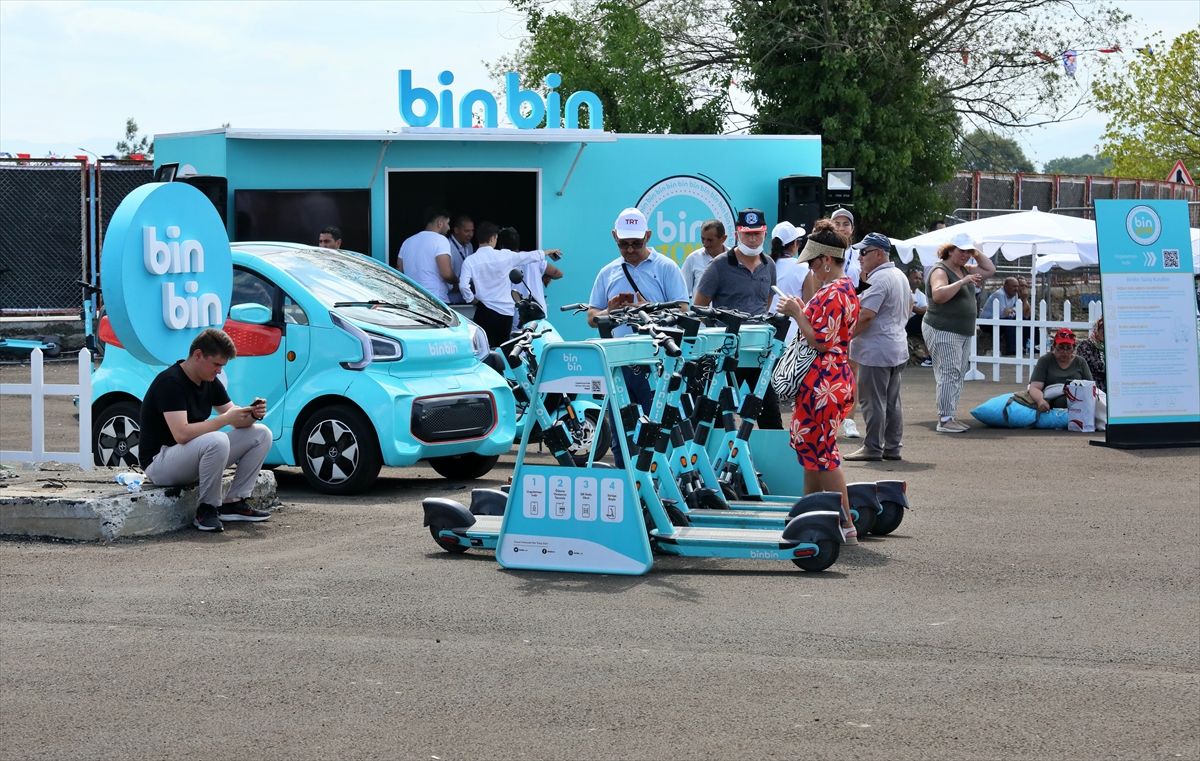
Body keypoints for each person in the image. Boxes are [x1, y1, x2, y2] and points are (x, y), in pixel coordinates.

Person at [775, 219, 861, 544]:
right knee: (814, 451)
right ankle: (808, 513)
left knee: (822, 453)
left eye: (812, 261)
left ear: (826, 260)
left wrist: (798, 313)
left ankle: (846, 524)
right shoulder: (845, 288)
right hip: (833, 377)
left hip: (822, 381)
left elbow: (821, 342)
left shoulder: (832, 292)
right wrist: (803, 311)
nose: (809, 267)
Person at [140, 328, 273, 532]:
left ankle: (233, 503)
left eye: (222, 366)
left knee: (261, 434)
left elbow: (236, 420)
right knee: (217, 440)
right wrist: (225, 419)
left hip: (189, 458)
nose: (219, 371)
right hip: (160, 463)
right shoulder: (170, 382)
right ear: (198, 355)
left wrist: (253, 414)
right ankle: (207, 509)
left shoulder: (209, 381)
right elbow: (181, 434)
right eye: (216, 364)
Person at [588, 207, 689, 467]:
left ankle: (663, 483)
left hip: (656, 363)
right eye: (623, 244)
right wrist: (609, 311)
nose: (630, 249)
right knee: (622, 435)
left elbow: (683, 311)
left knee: (660, 432)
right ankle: (627, 484)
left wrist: (648, 308)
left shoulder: (666, 267)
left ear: (648, 236)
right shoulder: (608, 271)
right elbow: (591, 317)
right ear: (614, 236)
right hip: (619, 364)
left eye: (636, 243)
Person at [693, 208, 782, 429]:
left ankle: (767, 453)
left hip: (759, 353)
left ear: (765, 234)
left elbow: (766, 303)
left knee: (770, 414)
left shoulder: (769, 265)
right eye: (747, 234)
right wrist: (719, 332)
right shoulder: (719, 265)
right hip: (727, 353)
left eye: (757, 234)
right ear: (737, 235)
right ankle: (712, 452)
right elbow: (699, 307)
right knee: (716, 415)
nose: (752, 239)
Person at [922, 231, 997, 432]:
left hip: (961, 331)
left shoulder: (965, 268)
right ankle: (945, 419)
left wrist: (976, 251)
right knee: (949, 372)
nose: (966, 255)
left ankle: (950, 415)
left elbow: (990, 269)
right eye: (961, 250)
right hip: (943, 328)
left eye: (968, 251)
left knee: (958, 372)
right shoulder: (940, 270)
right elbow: (938, 295)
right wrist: (962, 282)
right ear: (950, 250)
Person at [845, 232, 910, 461]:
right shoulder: (899, 275)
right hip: (895, 346)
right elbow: (909, 307)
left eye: (864, 252)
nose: (859, 257)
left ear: (879, 254)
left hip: (876, 350)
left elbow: (866, 315)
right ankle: (892, 446)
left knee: (872, 401)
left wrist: (843, 339)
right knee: (892, 402)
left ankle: (872, 447)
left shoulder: (879, 279)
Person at [805, 208, 863, 437]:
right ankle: (839, 419)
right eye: (836, 223)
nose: (841, 227)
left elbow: (821, 342)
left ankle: (849, 419)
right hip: (829, 315)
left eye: (845, 223)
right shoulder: (832, 278)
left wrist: (799, 314)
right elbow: (814, 285)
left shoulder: (855, 259)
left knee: (851, 366)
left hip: (846, 318)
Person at [459, 221, 560, 347]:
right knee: (505, 349)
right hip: (506, 313)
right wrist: (547, 252)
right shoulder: (504, 255)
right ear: (493, 238)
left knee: (486, 349)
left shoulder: (470, 261)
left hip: (484, 310)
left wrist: (472, 300)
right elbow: (528, 256)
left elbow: (463, 286)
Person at [497, 226, 563, 328]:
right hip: (538, 313)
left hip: (516, 317)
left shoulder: (501, 263)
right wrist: (544, 276)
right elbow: (558, 274)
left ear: (501, 246)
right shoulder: (534, 259)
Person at [395, 208, 456, 303]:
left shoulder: (407, 242)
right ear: (440, 223)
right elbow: (446, 274)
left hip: (412, 301)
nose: (449, 228)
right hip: (434, 300)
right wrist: (457, 281)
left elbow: (399, 272)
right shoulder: (440, 240)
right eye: (448, 223)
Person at [1028, 328, 1093, 411]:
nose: (1064, 352)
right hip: (1051, 403)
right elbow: (1035, 387)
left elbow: (1090, 387)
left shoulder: (1080, 362)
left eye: (1069, 348)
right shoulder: (1045, 360)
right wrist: (1040, 401)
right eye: (1061, 348)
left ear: (1074, 349)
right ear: (1053, 347)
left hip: (1077, 403)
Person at [981, 277, 1031, 355]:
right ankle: (1012, 348)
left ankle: (1028, 345)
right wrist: (1014, 311)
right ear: (1006, 287)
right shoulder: (1000, 294)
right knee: (1009, 323)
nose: (1016, 289)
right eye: (1014, 286)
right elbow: (1003, 314)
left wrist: (1012, 310)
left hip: (1000, 320)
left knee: (1023, 319)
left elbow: (1018, 309)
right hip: (987, 322)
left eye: (1017, 286)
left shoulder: (1014, 294)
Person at [680, 219, 728, 298]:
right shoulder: (693, 259)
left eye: (710, 240)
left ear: (723, 238)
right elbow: (681, 294)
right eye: (703, 239)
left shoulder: (736, 258)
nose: (705, 244)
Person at [445, 215, 475, 303]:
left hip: (467, 298)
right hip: (451, 300)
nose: (471, 235)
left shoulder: (470, 246)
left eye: (472, 231)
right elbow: (446, 277)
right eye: (467, 231)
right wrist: (462, 285)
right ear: (456, 230)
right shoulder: (447, 246)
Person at [907, 270, 932, 367]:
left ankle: (929, 356)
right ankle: (927, 355)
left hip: (918, 322)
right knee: (927, 318)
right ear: (908, 278)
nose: (918, 280)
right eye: (915, 278)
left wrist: (911, 306)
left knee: (930, 319)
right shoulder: (904, 291)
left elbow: (925, 310)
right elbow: (921, 311)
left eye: (920, 279)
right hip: (906, 322)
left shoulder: (920, 295)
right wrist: (916, 309)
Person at [1075, 316, 1106, 392]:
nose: (1105, 331)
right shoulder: (1085, 345)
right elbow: (1094, 366)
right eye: (1102, 328)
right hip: (1092, 388)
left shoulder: (1113, 347)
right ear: (1096, 329)